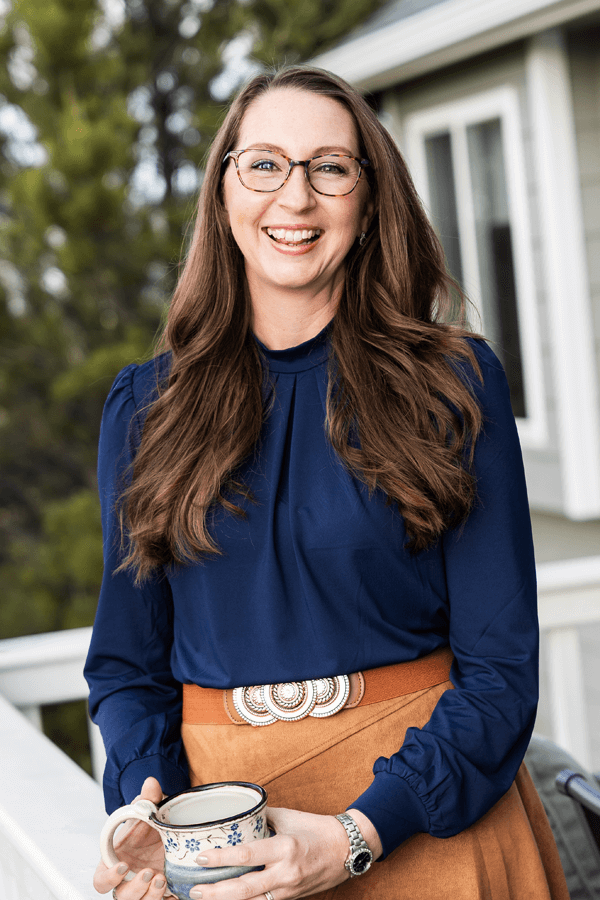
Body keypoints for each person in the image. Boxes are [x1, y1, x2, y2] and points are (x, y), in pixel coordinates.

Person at [87, 65, 568, 900]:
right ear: (225, 190)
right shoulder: (144, 409)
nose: (296, 196)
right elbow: (130, 667)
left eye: (330, 167)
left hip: (426, 826)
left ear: (368, 199)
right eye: (265, 163)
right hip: (226, 851)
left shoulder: (452, 384)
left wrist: (357, 833)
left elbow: (501, 674)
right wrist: (150, 814)